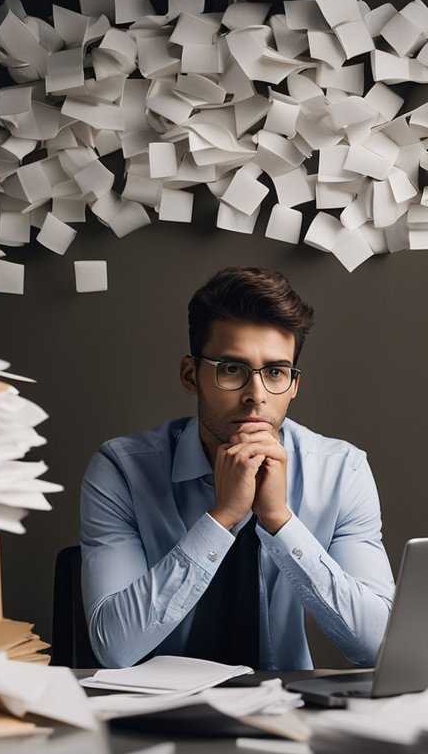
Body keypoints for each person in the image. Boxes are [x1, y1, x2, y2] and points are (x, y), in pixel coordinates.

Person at [79, 266, 395, 670]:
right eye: (232, 370)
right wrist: (221, 519)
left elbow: (377, 644)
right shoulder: (121, 470)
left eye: (276, 372)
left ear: (294, 385)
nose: (256, 396)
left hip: (288, 712)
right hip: (157, 712)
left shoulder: (342, 471)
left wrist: (280, 522)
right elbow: (114, 647)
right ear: (190, 376)